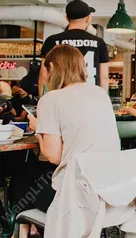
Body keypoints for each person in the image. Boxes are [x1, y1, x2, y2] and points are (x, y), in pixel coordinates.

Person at [8, 45, 120, 238]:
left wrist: (38, 129)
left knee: (22, 176)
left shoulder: (51, 99)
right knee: (33, 173)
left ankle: (20, 227)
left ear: (51, 67)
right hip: (109, 189)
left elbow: (53, 156)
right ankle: (32, 228)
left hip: (75, 197)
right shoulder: (100, 94)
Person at [38, 0, 110, 97]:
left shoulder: (52, 41)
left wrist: (43, 100)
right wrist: (102, 100)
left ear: (67, 18)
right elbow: (104, 77)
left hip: (61, 96)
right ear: (88, 19)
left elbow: (44, 73)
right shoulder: (99, 43)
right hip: (90, 97)